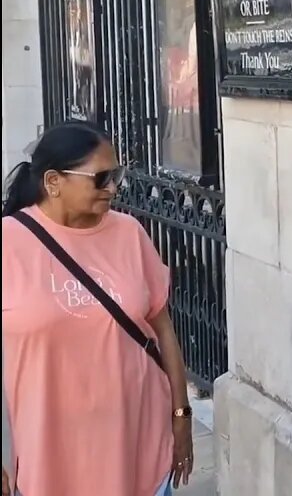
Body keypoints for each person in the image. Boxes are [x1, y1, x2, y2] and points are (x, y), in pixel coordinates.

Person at [1, 121, 194, 496]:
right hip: (51, 456)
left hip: (141, 443)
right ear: (54, 181)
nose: (113, 188)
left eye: (116, 175)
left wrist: (181, 415)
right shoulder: (9, 242)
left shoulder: (129, 233)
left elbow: (163, 329)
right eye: (101, 178)